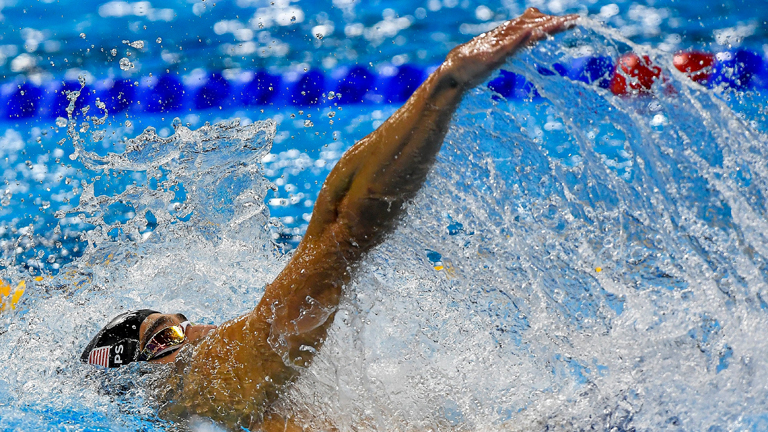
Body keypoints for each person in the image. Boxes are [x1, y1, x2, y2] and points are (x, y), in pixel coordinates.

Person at [81, 8, 576, 431]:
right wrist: (444, 87)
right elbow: (344, 228)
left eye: (183, 321)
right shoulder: (201, 384)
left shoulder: (247, 403)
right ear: (141, 383)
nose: (197, 331)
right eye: (165, 337)